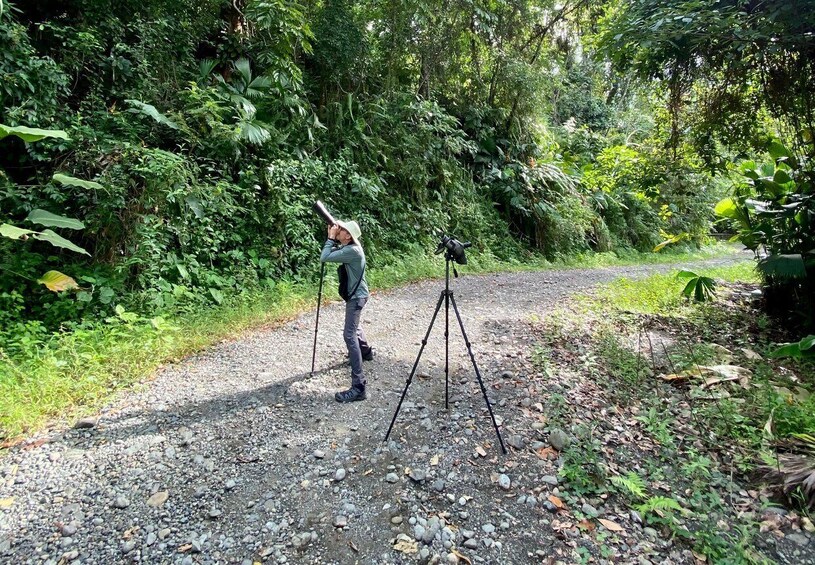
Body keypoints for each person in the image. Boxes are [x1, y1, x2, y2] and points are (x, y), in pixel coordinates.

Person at [320, 219, 373, 402]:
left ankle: (359, 387)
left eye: (341, 229)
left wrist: (329, 239)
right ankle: (365, 352)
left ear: (348, 236)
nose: (338, 230)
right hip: (359, 294)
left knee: (349, 334)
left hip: (357, 297)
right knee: (355, 326)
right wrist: (334, 239)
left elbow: (325, 257)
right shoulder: (353, 248)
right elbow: (333, 254)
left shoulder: (352, 251)